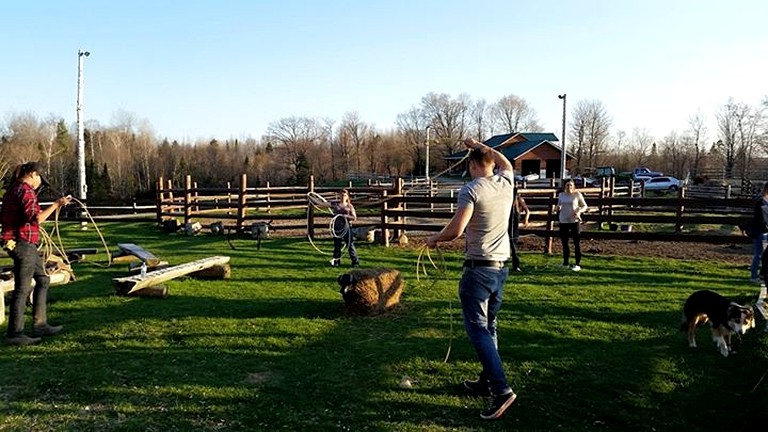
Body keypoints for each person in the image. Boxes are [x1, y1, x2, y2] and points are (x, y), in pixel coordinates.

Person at [426, 137, 517, 420]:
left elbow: (456, 230)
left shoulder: (471, 189)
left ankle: (501, 390)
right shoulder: (506, 183)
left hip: (478, 270)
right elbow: (506, 162)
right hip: (501, 268)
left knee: (478, 329)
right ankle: (488, 381)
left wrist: (435, 238)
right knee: (489, 327)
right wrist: (480, 144)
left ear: (472, 165)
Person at [1, 162, 72, 345]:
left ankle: (40, 324)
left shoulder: (13, 190)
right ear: (33, 174)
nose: (40, 182)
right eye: (40, 178)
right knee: (22, 289)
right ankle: (14, 334)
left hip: (22, 244)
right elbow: (36, 218)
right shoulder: (26, 191)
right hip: (24, 244)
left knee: (43, 279)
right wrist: (57, 205)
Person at [318, 189, 359, 267]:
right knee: (337, 246)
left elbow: (354, 217)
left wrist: (346, 216)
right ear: (339, 195)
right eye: (342, 195)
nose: (343, 196)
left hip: (347, 228)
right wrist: (311, 198)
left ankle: (355, 262)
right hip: (337, 228)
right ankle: (336, 261)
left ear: (347, 197)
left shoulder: (350, 206)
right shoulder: (335, 204)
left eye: (345, 195)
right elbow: (322, 204)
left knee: (350, 245)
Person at [557, 179, 588, 272]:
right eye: (567, 185)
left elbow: (585, 206)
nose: (569, 187)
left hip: (574, 220)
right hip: (563, 220)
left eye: (571, 185)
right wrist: (558, 208)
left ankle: (577, 264)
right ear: (564, 186)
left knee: (576, 242)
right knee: (565, 243)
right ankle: (565, 263)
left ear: (573, 186)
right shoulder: (561, 195)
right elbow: (559, 204)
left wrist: (579, 210)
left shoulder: (577, 194)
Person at [508, 193, 530, 272]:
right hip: (505, 224)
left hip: (514, 225)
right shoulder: (504, 198)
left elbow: (527, 211)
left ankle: (516, 265)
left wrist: (526, 220)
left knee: (514, 245)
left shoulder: (518, 199)